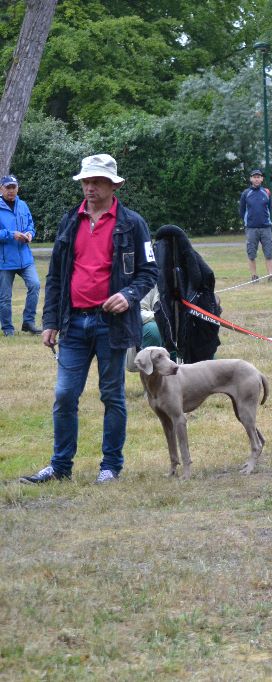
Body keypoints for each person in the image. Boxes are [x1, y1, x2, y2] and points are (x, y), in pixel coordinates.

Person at [19, 153, 157, 484]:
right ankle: (60, 466)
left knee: (112, 395)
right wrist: (50, 320)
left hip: (113, 325)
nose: (89, 187)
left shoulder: (133, 223)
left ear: (113, 185)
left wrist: (128, 295)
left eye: (96, 181)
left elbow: (149, 271)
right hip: (74, 324)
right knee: (65, 394)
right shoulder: (70, 221)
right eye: (86, 181)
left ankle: (110, 467)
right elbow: (55, 277)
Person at [0, 174, 41, 336]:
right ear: (1, 188)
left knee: (35, 285)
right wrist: (11, 234)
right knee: (4, 298)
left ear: (18, 188)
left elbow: (31, 225)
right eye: (7, 187)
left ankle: (28, 322)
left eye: (13, 187)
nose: (11, 191)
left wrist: (30, 234)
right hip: (4, 261)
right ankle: (8, 329)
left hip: (25, 258)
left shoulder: (23, 205)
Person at [239, 168, 272, 282]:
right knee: (251, 253)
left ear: (262, 179)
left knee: (268, 252)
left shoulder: (266, 192)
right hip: (251, 229)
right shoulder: (246, 193)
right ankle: (254, 276)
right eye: (254, 177)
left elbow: (269, 209)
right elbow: (242, 211)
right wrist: (248, 221)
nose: (256, 179)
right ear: (251, 179)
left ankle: (270, 275)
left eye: (258, 177)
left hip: (266, 228)